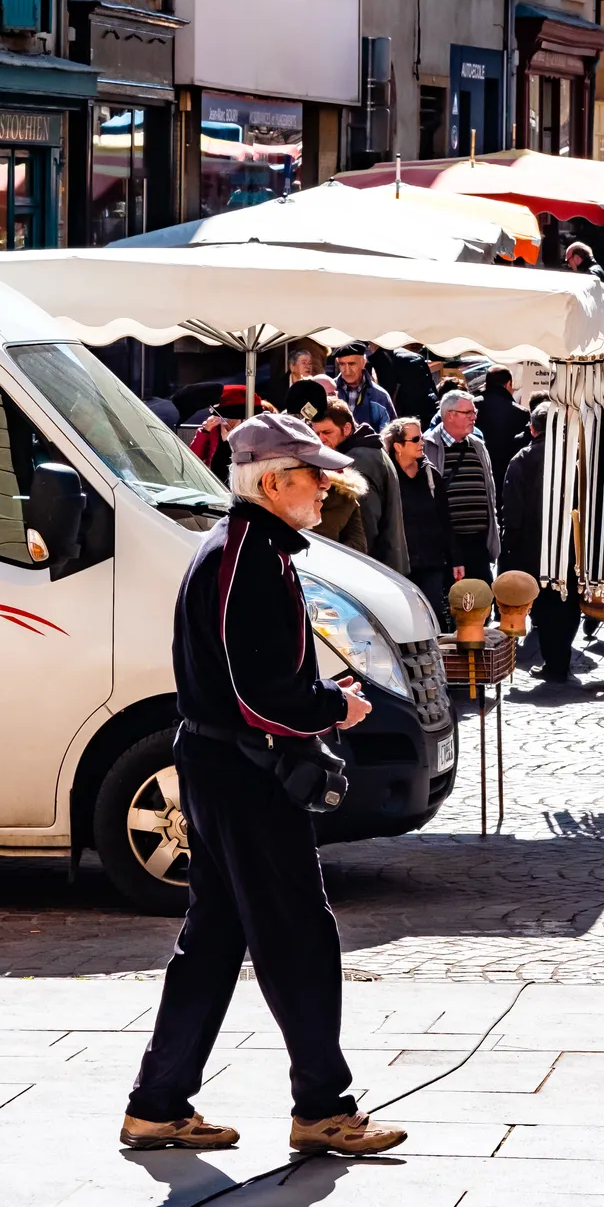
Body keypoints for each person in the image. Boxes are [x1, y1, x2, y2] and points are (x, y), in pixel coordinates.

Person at [121, 413, 403, 1159]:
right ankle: (323, 1108)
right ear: (274, 483)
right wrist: (332, 706)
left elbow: (252, 678)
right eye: (313, 475)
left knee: (214, 937)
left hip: (225, 765)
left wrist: (315, 692)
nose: (324, 486)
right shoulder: (245, 557)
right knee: (299, 936)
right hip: (243, 770)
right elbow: (257, 695)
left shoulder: (249, 549)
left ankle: (158, 1104)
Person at [287, 384, 410, 574]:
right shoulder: (367, 449)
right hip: (384, 563)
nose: (321, 440)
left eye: (327, 433)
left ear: (346, 428)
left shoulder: (356, 461)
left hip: (374, 567)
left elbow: (366, 524)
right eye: (316, 433)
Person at [501, 399, 580, 683]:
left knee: (545, 606)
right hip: (572, 548)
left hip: (534, 549)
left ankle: (554, 662)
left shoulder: (521, 459)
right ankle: (562, 660)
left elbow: (512, 509)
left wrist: (510, 549)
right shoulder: (575, 457)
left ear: (533, 429)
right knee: (568, 602)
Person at [383, 415, 460, 630]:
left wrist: (456, 559)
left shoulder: (430, 474)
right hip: (398, 564)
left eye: (421, 438)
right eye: (415, 439)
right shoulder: (388, 476)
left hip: (431, 562)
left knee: (434, 617)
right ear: (398, 446)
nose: (422, 443)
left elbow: (445, 519)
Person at [423, 390, 500, 585]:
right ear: (450, 414)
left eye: (474, 413)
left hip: (478, 542)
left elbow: (489, 493)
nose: (474, 417)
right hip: (445, 545)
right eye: (468, 413)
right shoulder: (426, 446)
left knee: (482, 598)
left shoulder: (478, 446)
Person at [191, 386, 270, 484]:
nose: (217, 416)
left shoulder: (250, 429)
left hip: (242, 483)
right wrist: (204, 432)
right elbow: (193, 457)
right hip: (216, 484)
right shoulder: (212, 429)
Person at [477, 366, 531, 498]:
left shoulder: (472, 407)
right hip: (507, 472)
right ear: (509, 384)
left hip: (475, 470)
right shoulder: (520, 413)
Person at [332, 342, 394, 433]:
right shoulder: (327, 391)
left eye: (352, 364)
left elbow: (388, 435)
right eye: (342, 364)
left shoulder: (380, 396)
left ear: (363, 363)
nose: (347, 371)